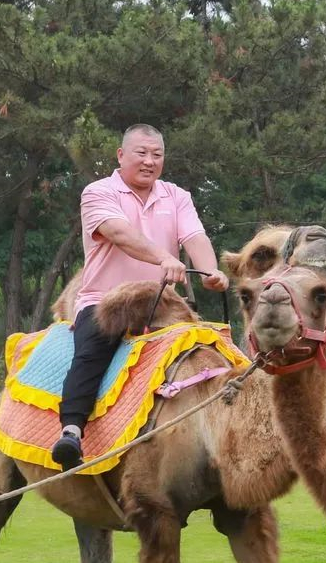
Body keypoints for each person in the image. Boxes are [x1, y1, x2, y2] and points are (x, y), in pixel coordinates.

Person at [51, 124, 229, 471]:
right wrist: (163, 258)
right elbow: (120, 233)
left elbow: (195, 236)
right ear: (121, 155)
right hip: (106, 301)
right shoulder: (98, 192)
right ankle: (71, 431)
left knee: (211, 348)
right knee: (92, 352)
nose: (150, 161)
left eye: (157, 155)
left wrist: (211, 272)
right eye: (142, 153)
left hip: (162, 304)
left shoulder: (176, 196)